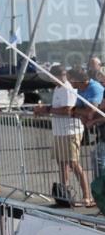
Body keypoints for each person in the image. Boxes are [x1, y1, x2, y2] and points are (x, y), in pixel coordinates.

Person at [35, 64, 93, 207]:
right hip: (60, 131)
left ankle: (87, 197)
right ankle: (65, 195)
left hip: (71, 131)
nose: (60, 77)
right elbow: (58, 108)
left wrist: (47, 109)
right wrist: (45, 109)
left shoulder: (67, 88)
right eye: (58, 75)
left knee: (73, 163)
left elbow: (68, 110)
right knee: (62, 163)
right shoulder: (57, 88)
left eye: (62, 75)